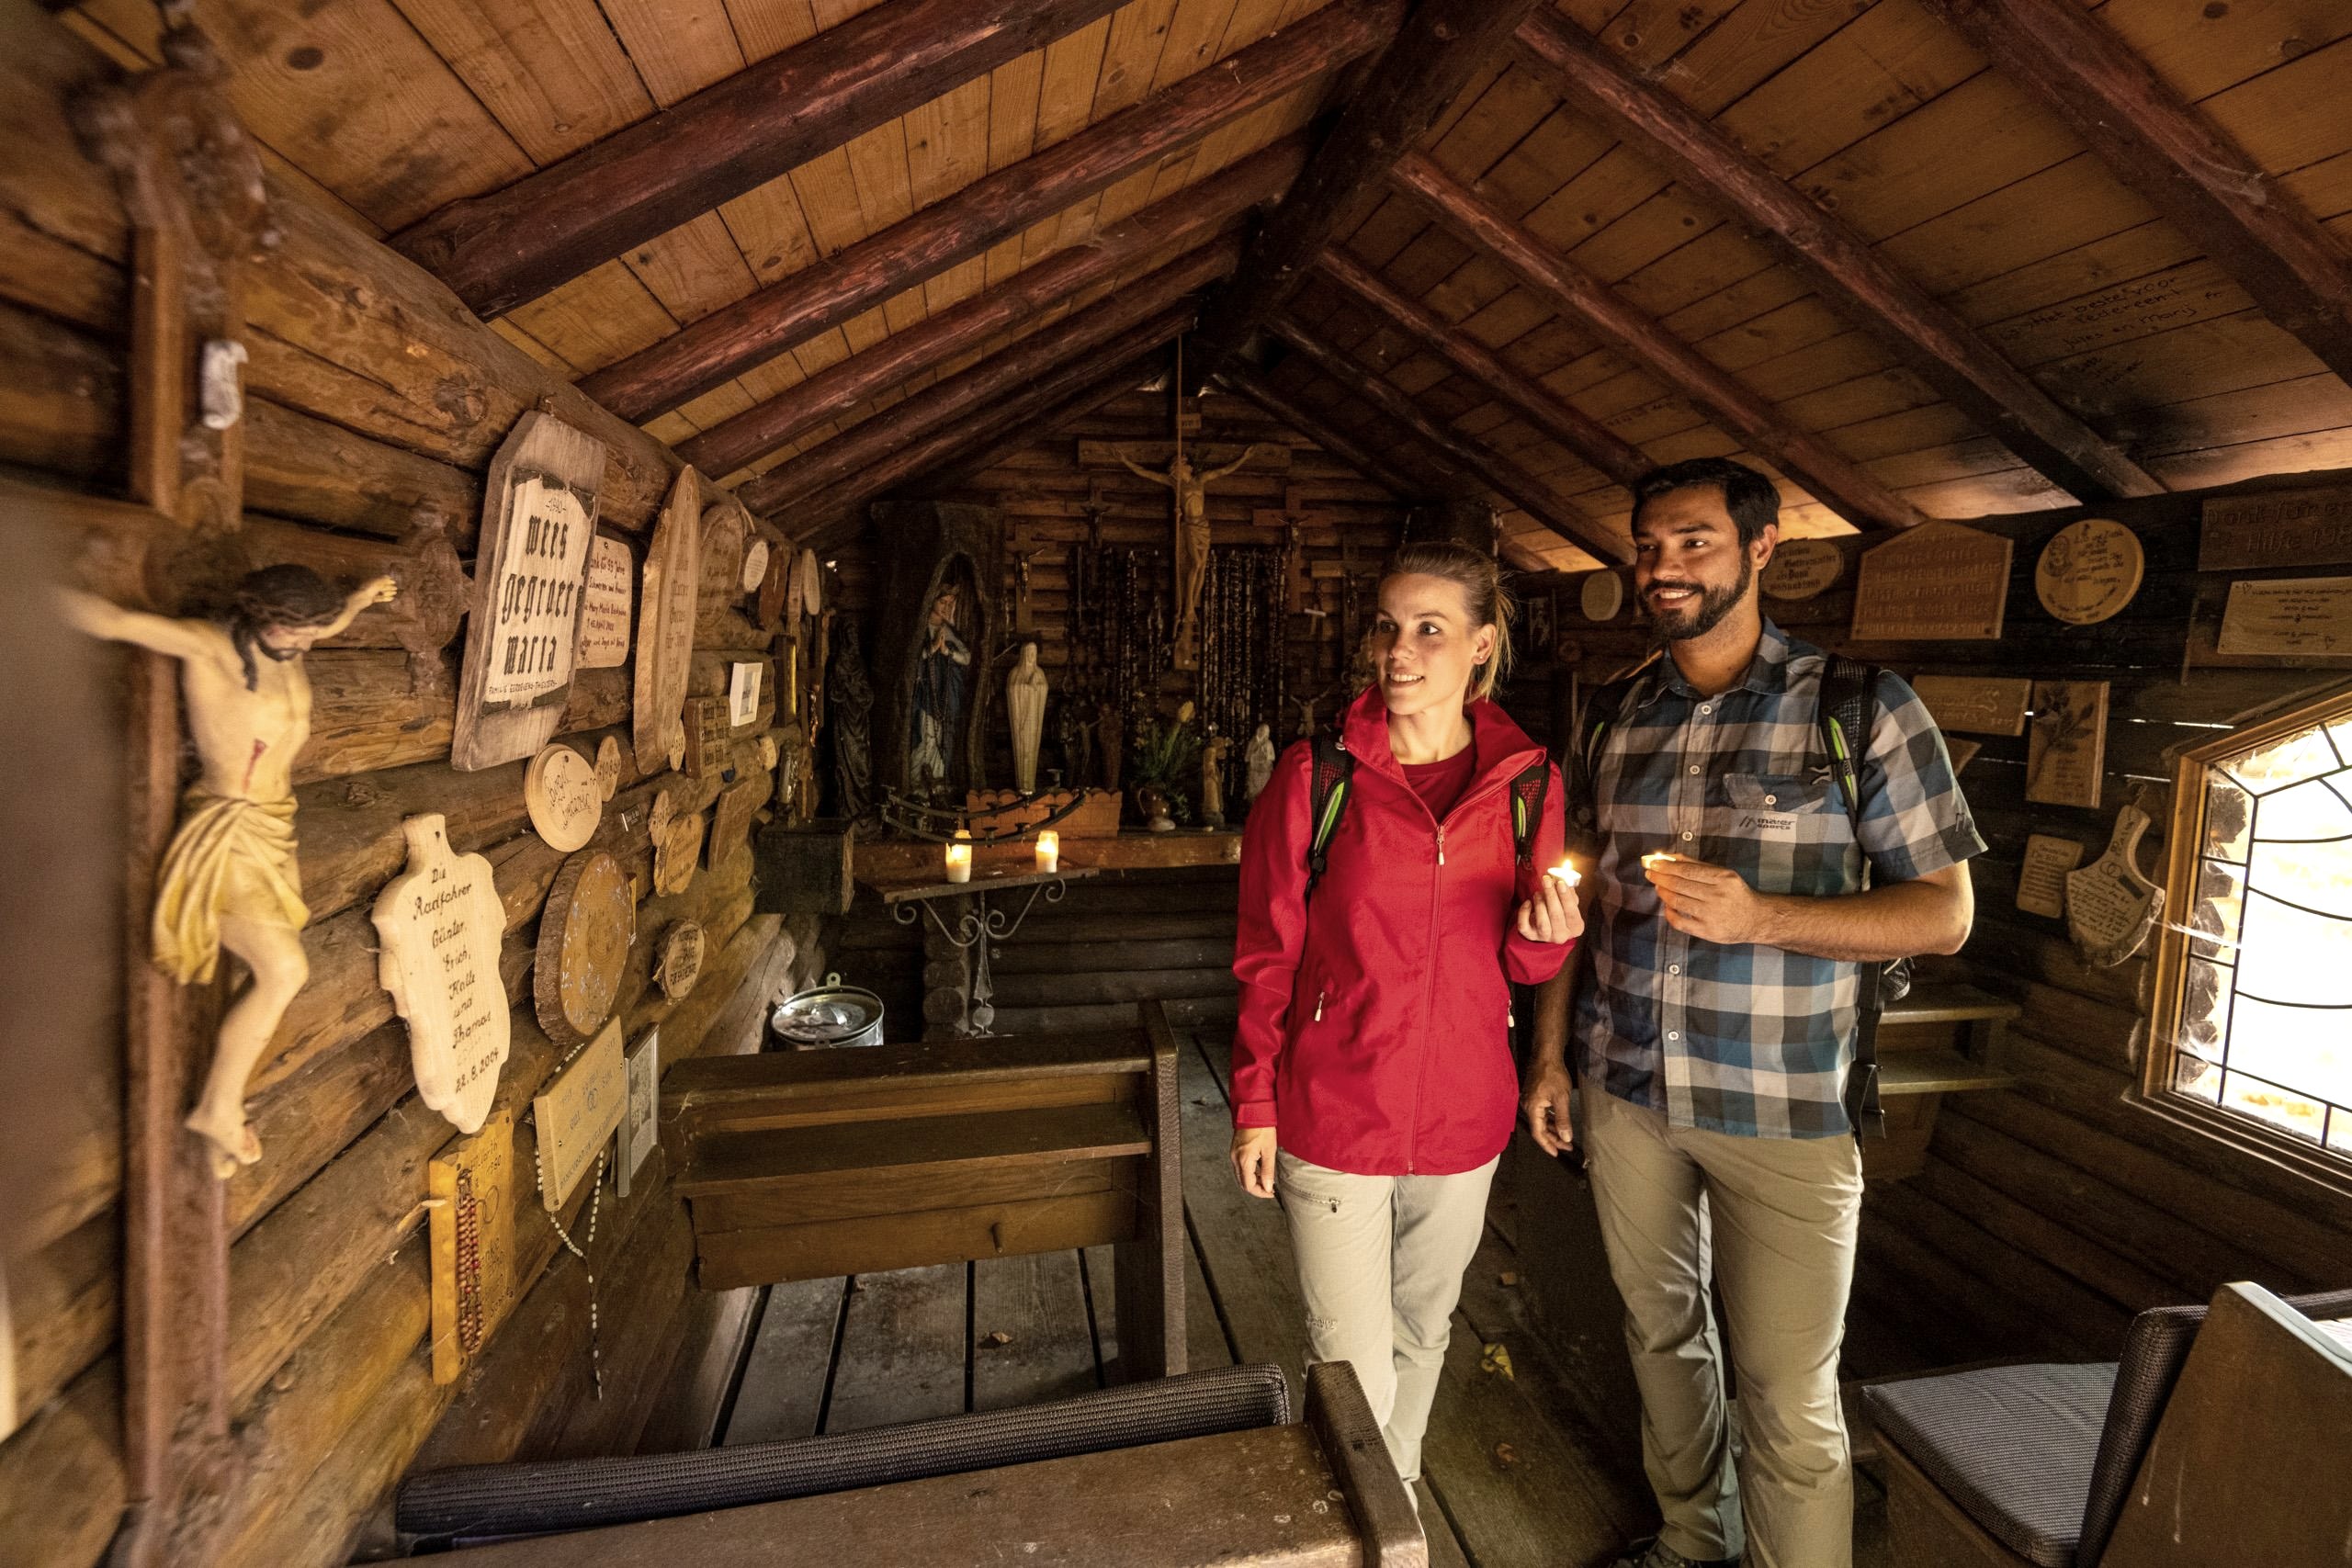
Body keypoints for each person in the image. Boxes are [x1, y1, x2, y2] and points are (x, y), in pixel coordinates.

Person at [1523, 459, 1983, 1568]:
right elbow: (1577, 907)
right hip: (1625, 1090)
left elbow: (1944, 915)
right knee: (1659, 1339)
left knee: (1787, 1395)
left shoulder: (1860, 707)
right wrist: (1549, 1060)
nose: (1663, 567)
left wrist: (1761, 916)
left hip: (1784, 1108)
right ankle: (1695, 1543)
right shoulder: (1615, 714)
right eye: (1648, 546)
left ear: (1761, 546)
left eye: (1693, 542)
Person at [1230, 540, 1582, 1499]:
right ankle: (1377, 1527)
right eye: (1388, 626)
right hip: (1335, 1111)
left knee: (1424, 1331)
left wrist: (1548, 940)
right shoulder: (1318, 776)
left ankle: (1393, 1508)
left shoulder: (1527, 785)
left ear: (1481, 645)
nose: (1398, 650)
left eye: (1429, 628)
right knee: (1350, 1367)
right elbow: (1265, 955)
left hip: (1465, 1115)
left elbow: (1523, 963)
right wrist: (1254, 1102)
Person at [61, 564, 400, 1177]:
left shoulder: (293, 640)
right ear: (261, 616)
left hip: (274, 826)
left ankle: (219, 1104)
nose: (306, 642)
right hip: (229, 830)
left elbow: (330, 623)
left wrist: (359, 598)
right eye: (296, 629)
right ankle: (218, 1109)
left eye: (311, 630)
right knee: (285, 969)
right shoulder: (211, 648)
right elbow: (114, 621)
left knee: (276, 970)